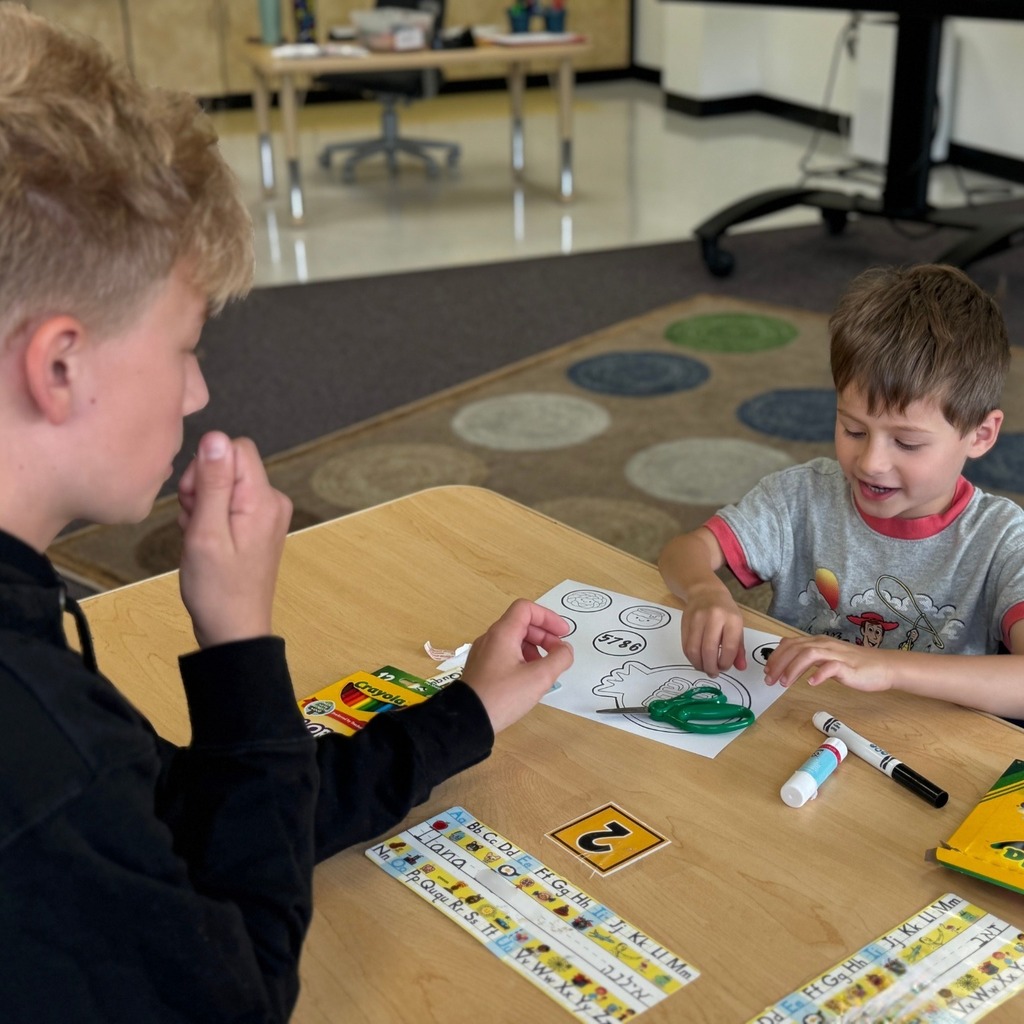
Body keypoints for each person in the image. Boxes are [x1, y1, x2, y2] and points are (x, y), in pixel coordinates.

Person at [0, 5, 573, 1021]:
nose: (196, 394)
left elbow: (187, 819)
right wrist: (239, 644)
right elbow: (242, 982)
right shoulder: (47, 761)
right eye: (184, 343)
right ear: (58, 364)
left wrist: (462, 714)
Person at [658, 263, 1024, 718]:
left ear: (981, 435)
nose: (871, 462)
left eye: (906, 442)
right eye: (853, 430)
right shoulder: (801, 497)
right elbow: (683, 551)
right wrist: (703, 591)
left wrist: (886, 667)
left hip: (924, 749)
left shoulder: (1002, 539)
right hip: (793, 722)